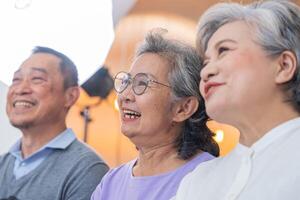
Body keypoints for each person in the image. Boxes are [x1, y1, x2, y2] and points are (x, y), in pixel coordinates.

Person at [174, 1, 300, 199]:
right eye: (205, 62)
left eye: (223, 50)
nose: (206, 71)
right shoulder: (197, 181)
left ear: (283, 66)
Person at [91, 30, 219, 200]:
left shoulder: (212, 178)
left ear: (183, 108)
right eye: (127, 81)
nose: (125, 95)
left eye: (142, 83)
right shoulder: (110, 182)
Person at [0, 46, 109, 200]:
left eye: (37, 79)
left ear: (70, 96)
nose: (20, 89)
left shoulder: (86, 169)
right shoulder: (3, 163)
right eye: (16, 79)